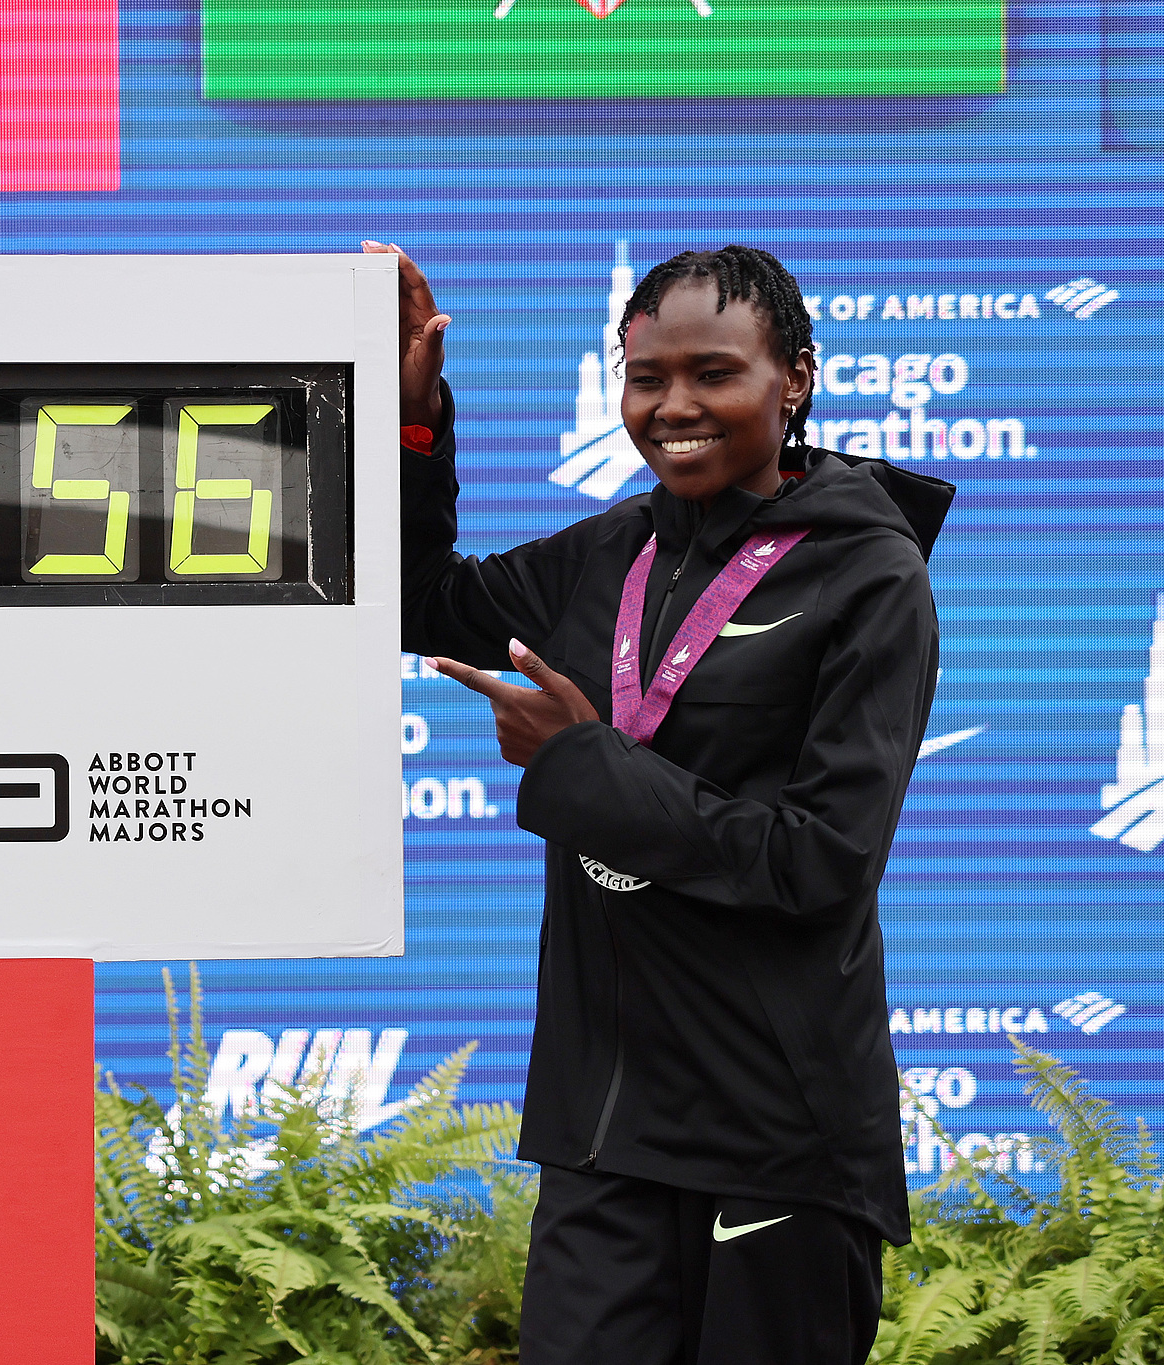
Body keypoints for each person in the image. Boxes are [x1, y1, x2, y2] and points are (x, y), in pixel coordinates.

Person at [369, 239, 954, 1365]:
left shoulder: (870, 577)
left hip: (775, 1135)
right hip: (605, 1133)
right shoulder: (607, 554)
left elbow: (817, 861)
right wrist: (409, 424)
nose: (672, 406)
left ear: (792, 378)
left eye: (711, 374)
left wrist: (580, 766)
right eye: (646, 378)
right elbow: (412, 601)